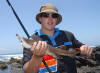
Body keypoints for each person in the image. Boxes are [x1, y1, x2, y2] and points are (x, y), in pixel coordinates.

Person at [23, 3, 93, 73]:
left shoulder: (68, 35)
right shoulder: (32, 41)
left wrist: (85, 49)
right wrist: (37, 57)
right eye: (46, 15)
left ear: (57, 19)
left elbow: (80, 50)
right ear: (40, 18)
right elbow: (28, 71)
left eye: (54, 15)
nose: (50, 19)